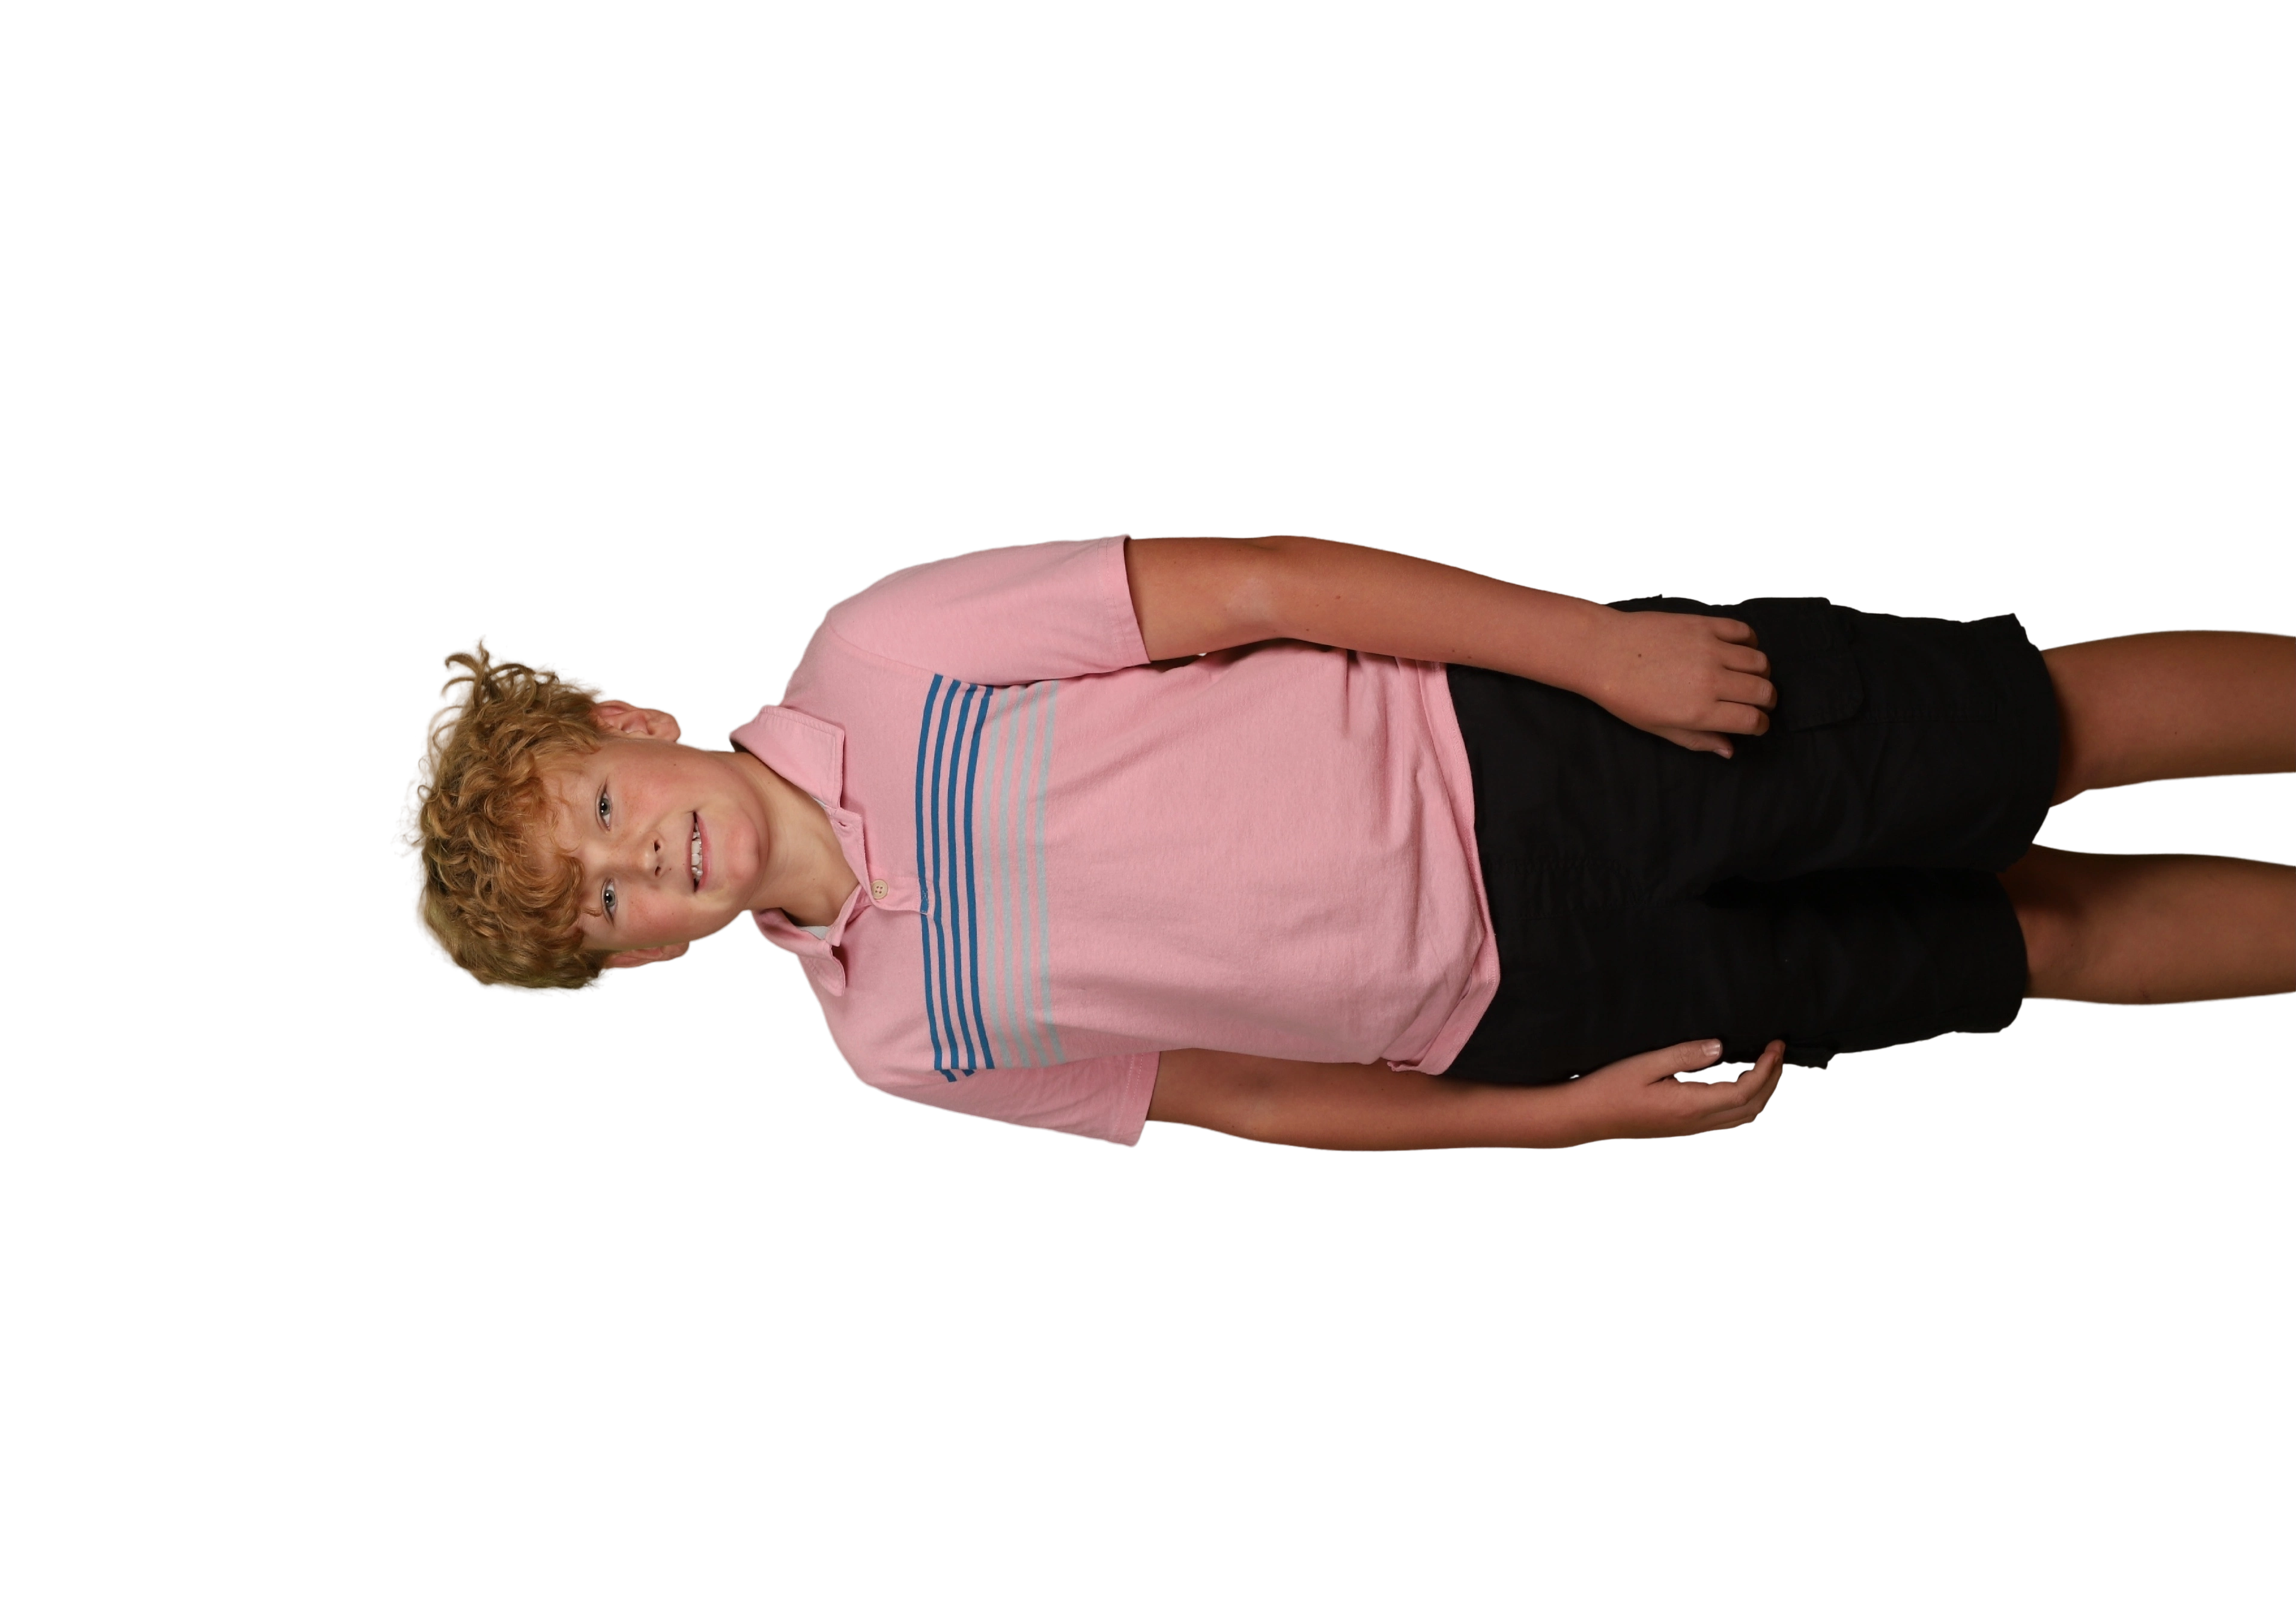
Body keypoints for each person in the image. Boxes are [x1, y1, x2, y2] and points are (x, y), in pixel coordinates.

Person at [390, 530, 2296, 1153]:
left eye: (605, 815)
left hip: (1543, 748)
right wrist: (1559, 1117)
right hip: (1542, 1000)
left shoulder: (889, 655)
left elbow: (1251, 586)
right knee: (2036, 943)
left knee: (2046, 732)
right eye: (609, 910)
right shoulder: (899, 1041)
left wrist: (1594, 650)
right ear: (644, 964)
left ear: (629, 723)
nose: (648, 867)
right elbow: (1238, 1091)